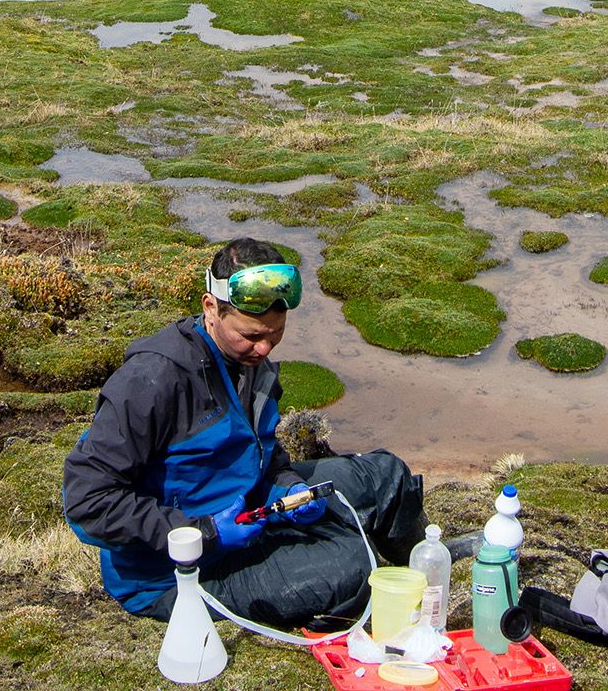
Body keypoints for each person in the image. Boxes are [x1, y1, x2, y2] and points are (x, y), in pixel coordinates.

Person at [62, 237, 427, 627]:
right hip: (172, 575)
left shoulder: (253, 366)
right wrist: (202, 534)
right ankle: (366, 578)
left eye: (276, 333)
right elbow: (87, 502)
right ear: (210, 308)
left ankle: (426, 567)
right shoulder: (152, 381)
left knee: (387, 476)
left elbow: (264, 455)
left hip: (251, 509)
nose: (265, 348)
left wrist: (286, 488)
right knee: (351, 562)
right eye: (252, 335)